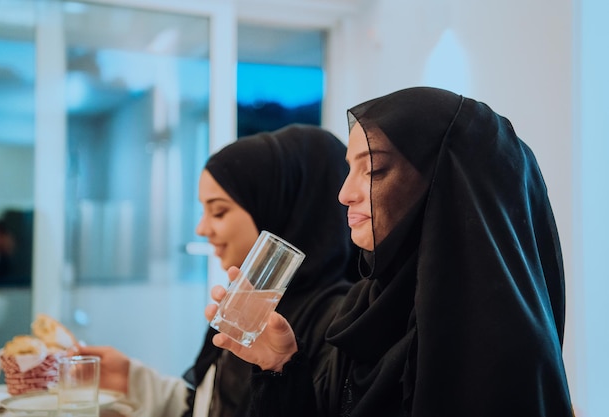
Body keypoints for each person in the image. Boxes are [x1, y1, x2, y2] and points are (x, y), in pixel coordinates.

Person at [205, 87, 575, 417]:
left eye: (373, 170)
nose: (344, 194)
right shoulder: (363, 312)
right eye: (350, 170)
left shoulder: (502, 349)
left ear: (442, 186)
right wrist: (280, 368)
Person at [78, 124, 358, 417]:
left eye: (219, 211)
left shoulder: (337, 320)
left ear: (276, 210)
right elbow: (210, 404)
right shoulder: (248, 305)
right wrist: (131, 380)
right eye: (203, 210)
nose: (202, 228)